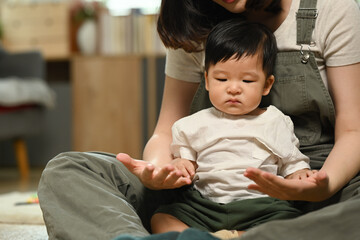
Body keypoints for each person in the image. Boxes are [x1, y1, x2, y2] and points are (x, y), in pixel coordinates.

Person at [38, 0, 360, 239]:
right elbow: (166, 131)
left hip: (308, 183)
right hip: (198, 189)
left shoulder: (332, 8)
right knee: (68, 171)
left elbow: (353, 130)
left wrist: (321, 185)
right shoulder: (197, 21)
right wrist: (158, 169)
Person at [150, 19, 313, 238]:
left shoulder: (275, 121)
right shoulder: (192, 124)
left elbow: (292, 164)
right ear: (207, 81)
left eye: (247, 80)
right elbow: (186, 161)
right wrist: (180, 164)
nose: (234, 88)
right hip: (206, 205)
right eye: (222, 78)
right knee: (161, 217)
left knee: (294, 221)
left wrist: (300, 176)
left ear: (266, 85)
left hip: (261, 206)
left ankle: (235, 235)